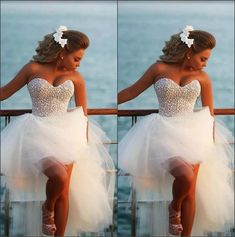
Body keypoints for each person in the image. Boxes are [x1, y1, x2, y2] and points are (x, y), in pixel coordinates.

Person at [118, 26, 234, 236]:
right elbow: (131, 91)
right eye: (203, 59)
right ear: (189, 53)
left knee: (190, 192)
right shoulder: (159, 69)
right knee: (185, 176)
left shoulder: (203, 78)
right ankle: (173, 209)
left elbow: (210, 113)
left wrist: (211, 143)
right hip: (163, 133)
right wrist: (108, 104)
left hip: (195, 134)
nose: (206, 63)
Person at [0, 26, 115, 236]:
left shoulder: (77, 78)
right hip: (36, 133)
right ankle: (47, 208)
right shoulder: (32, 69)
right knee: (58, 176)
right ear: (62, 53)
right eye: (77, 58)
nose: (79, 63)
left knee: (64, 191)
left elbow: (83, 114)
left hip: (68, 135)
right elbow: (4, 93)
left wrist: (85, 143)